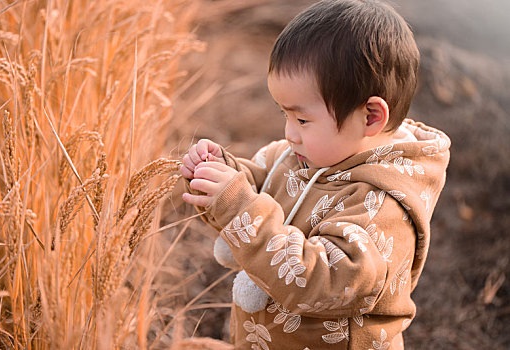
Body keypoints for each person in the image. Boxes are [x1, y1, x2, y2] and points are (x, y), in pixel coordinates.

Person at [180, 0, 450, 348]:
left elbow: (323, 282)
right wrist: (217, 175)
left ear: (370, 117)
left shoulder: (381, 207)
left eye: (302, 119)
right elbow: (254, 189)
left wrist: (238, 206)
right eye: (285, 115)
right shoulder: (298, 154)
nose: (290, 133)